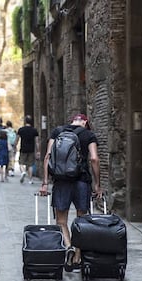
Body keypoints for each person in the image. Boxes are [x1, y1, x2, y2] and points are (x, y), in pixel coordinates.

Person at [39, 113, 102, 272]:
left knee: (61, 221)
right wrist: (97, 184)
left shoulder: (58, 132)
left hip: (61, 182)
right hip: (81, 181)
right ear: (86, 122)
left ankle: (68, 246)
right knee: (81, 220)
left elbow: (47, 157)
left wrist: (45, 183)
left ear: (72, 121)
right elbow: (94, 159)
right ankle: (77, 256)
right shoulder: (89, 135)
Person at [14, 115, 40, 184]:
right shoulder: (34, 130)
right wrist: (38, 151)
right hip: (31, 149)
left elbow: (17, 139)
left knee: (21, 163)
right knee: (30, 165)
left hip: (23, 149)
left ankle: (23, 172)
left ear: (25, 121)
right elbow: (37, 142)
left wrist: (15, 146)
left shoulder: (21, 130)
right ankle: (30, 180)